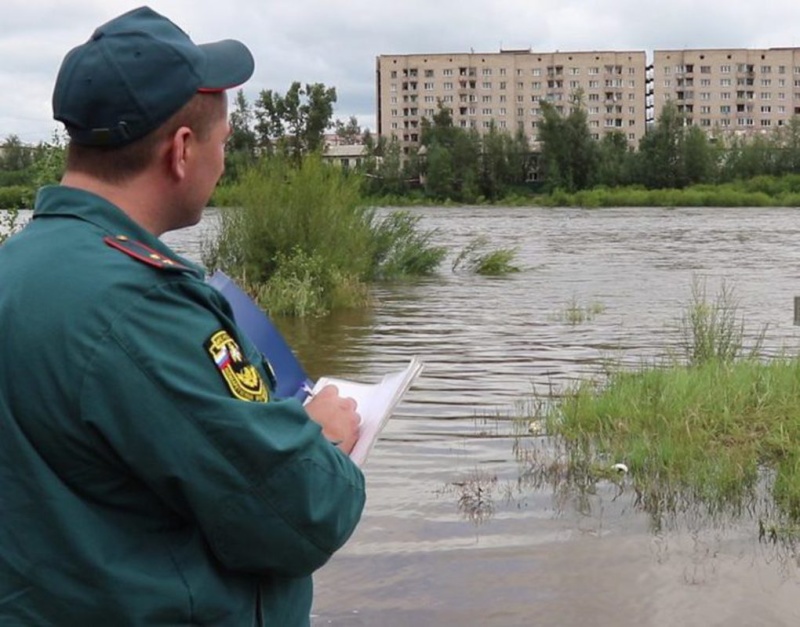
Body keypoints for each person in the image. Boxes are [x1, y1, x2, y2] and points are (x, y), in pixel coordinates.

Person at [0, 6, 365, 626]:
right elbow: (301, 515)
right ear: (182, 150)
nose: (222, 165)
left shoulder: (18, 264)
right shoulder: (141, 306)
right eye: (224, 145)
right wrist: (323, 440)